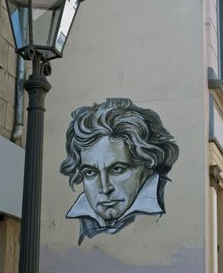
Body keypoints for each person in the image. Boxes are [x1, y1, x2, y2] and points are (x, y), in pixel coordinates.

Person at [60, 98, 179, 245]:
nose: (104, 188)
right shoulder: (74, 221)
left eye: (117, 169)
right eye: (90, 173)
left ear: (148, 163)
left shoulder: (176, 205)